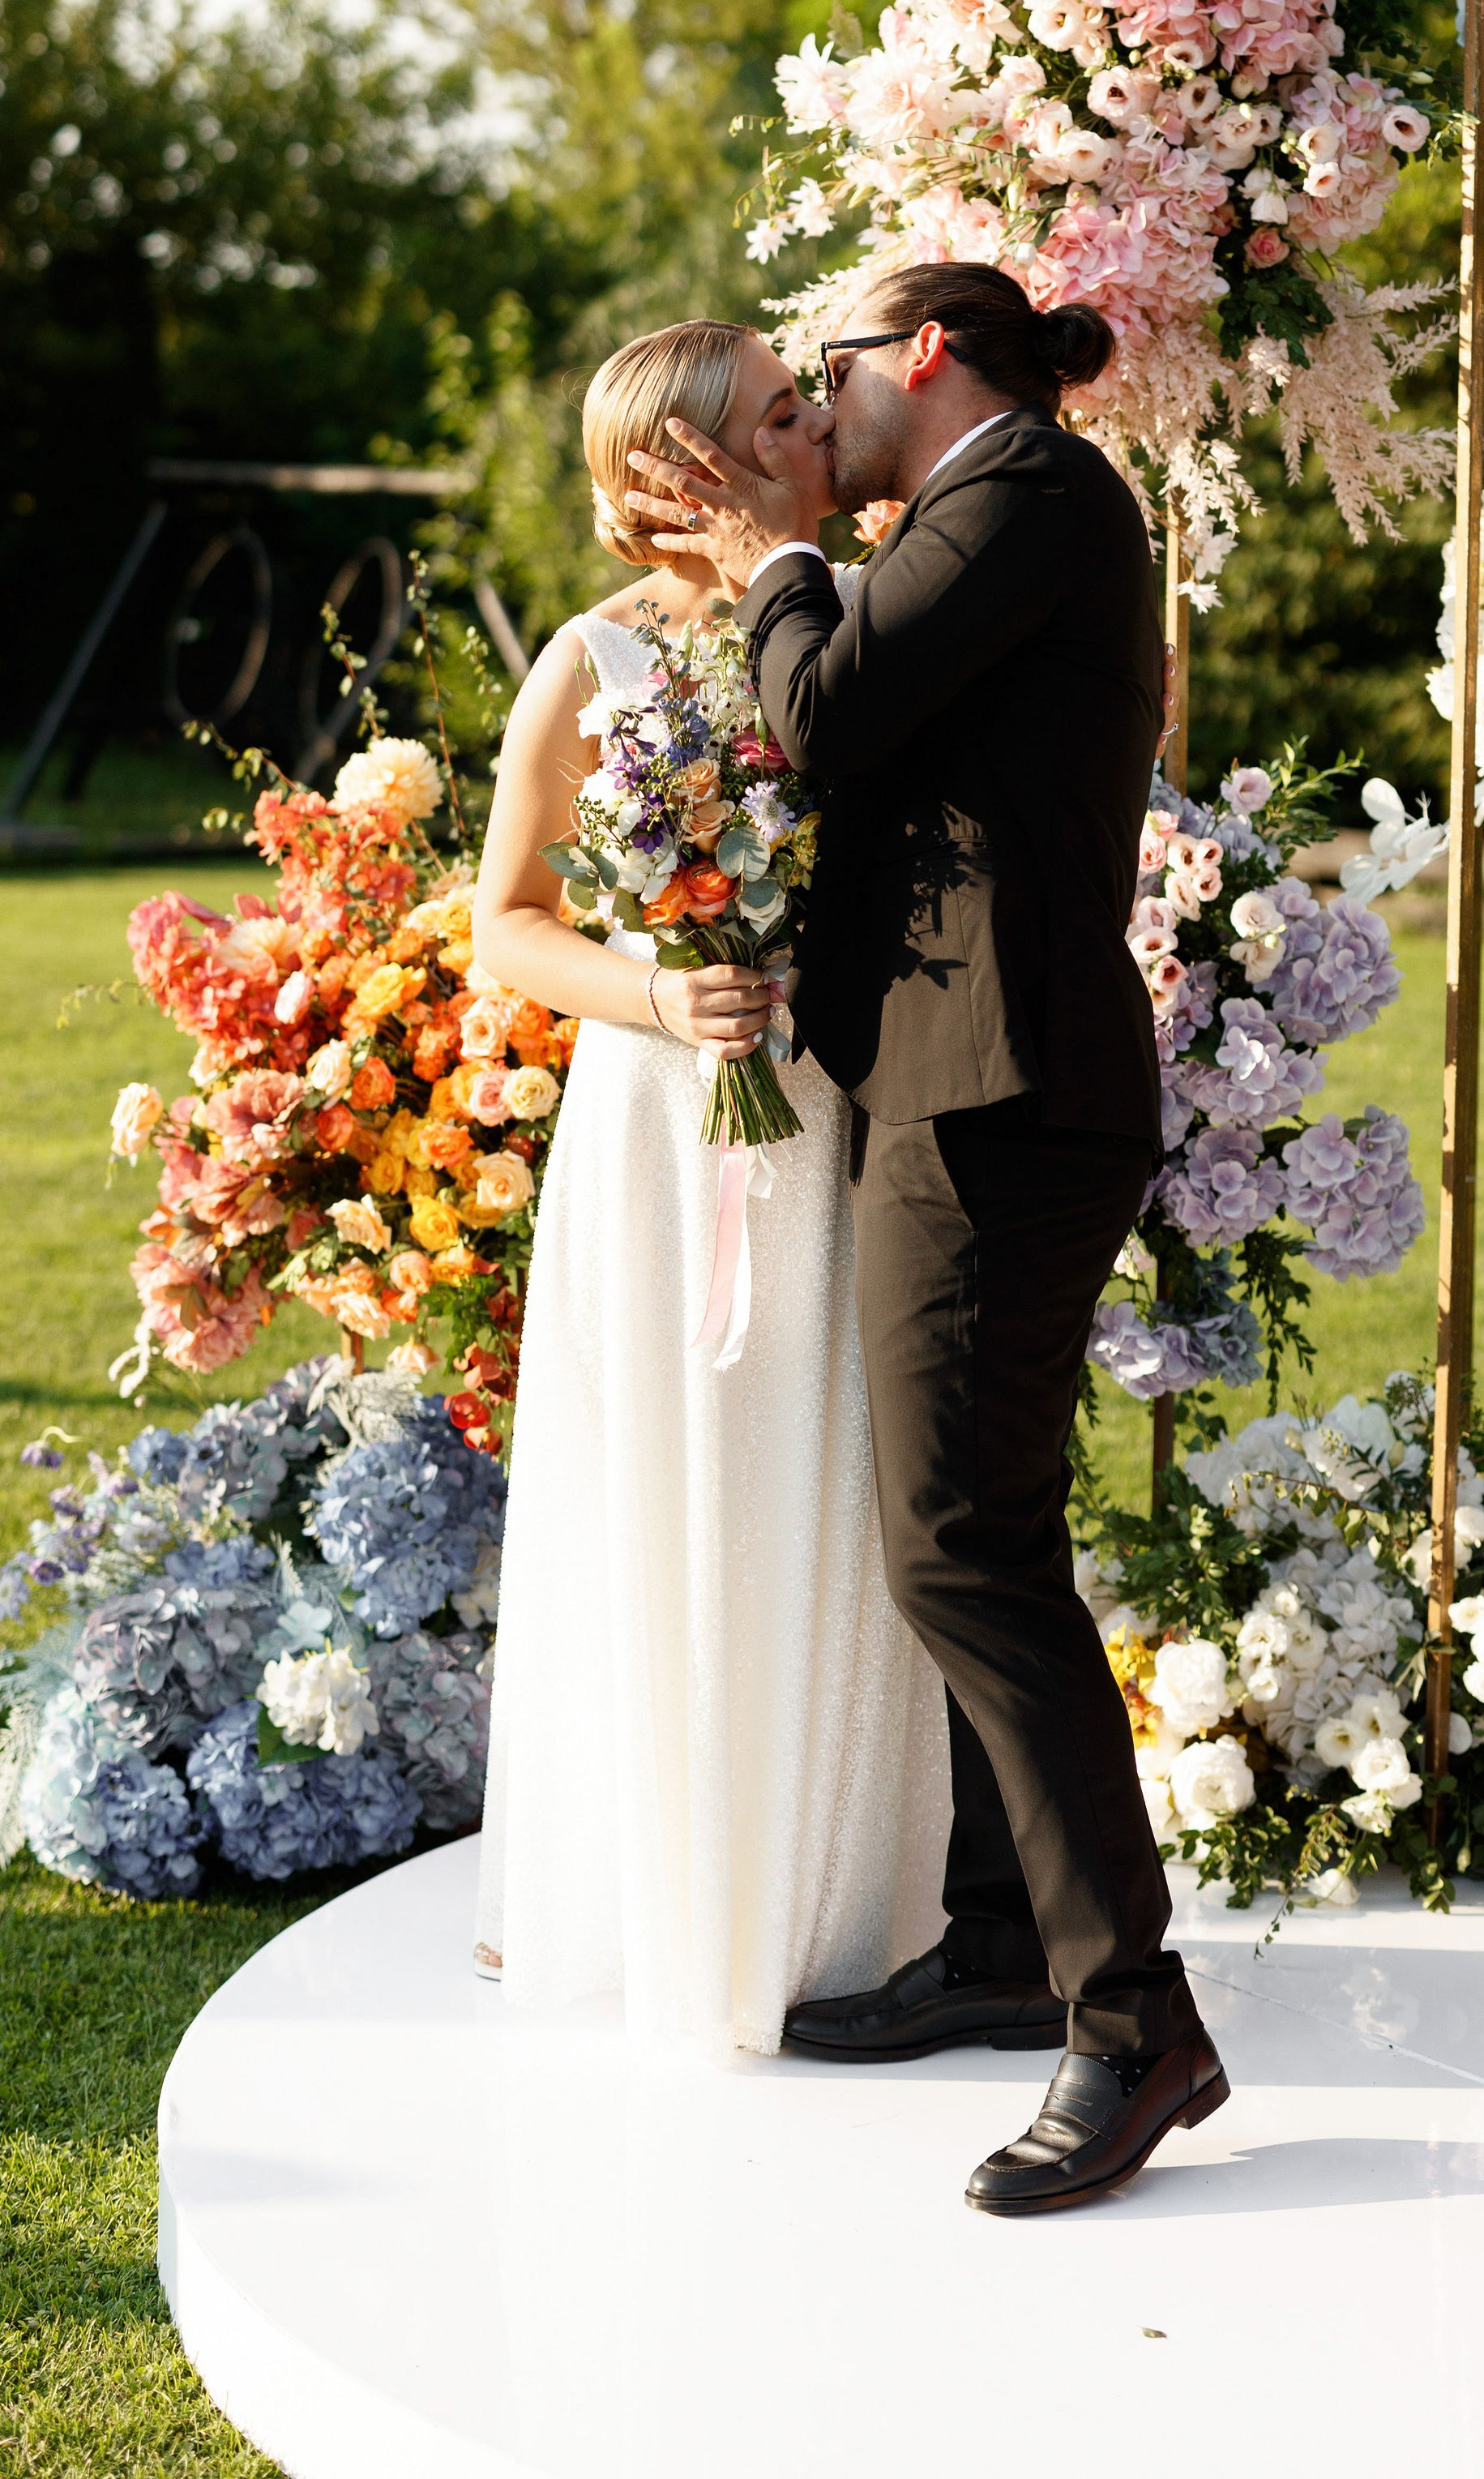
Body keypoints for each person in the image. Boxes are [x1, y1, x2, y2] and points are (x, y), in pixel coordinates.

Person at [622, 260, 1228, 2216]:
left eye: (834, 373)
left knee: (965, 1547)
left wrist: (778, 552)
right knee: (966, 1529)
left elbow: (832, 708)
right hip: (957, 1080)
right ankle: (997, 1937)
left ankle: (1135, 2026)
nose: (820, 407)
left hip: (1001, 1100)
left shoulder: (1025, 496)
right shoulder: (987, 512)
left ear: (928, 358)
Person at [467, 318, 952, 2055]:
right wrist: (666, 992)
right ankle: (661, 1904)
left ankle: (832, 1908)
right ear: (684, 472)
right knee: (665, 1484)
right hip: (662, 1132)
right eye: (777, 413)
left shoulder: (847, 621)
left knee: (823, 1477)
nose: (820, 423)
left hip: (825, 1113)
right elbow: (505, 919)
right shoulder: (590, 663)